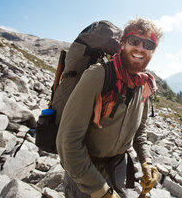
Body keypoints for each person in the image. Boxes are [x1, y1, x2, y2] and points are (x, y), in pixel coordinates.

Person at [56, 18, 163, 198]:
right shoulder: (97, 76)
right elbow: (68, 141)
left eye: (149, 44)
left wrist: (146, 161)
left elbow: (139, 130)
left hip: (117, 168)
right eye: (134, 41)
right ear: (122, 43)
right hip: (85, 172)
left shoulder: (143, 84)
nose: (141, 48)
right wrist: (101, 190)